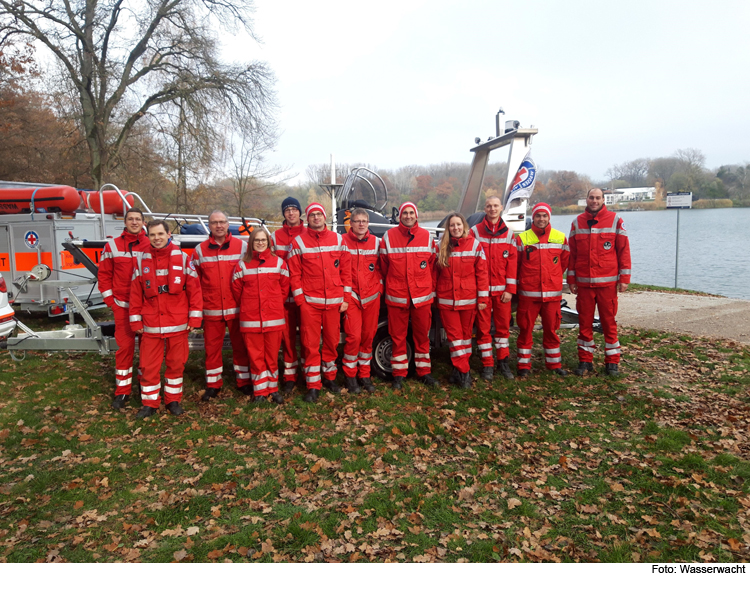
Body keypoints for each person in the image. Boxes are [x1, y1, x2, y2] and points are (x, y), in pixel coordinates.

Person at [129, 220, 203, 418]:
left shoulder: (184, 258)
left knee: (176, 364)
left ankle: (173, 401)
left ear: (169, 234)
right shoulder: (141, 260)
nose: (156, 238)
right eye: (152, 235)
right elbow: (136, 293)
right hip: (151, 324)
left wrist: (195, 318)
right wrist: (135, 321)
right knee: (148, 366)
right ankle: (150, 404)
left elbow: (195, 290)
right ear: (148, 236)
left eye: (160, 234)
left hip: (178, 322)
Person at [287, 203, 352, 403]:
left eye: (319, 214)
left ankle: (330, 378)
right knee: (310, 344)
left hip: (333, 302)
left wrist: (346, 298)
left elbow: (346, 271)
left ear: (324, 217)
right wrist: (301, 301)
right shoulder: (298, 242)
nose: (316, 217)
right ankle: (313, 385)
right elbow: (294, 274)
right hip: (310, 303)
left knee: (332, 342)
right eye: (312, 215)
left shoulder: (338, 239)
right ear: (307, 218)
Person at [568, 188, 631, 376]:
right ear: (586, 199)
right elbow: (572, 254)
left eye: (598, 198)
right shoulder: (577, 222)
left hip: (607, 285)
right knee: (584, 324)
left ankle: (612, 362)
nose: (594, 201)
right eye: (591, 197)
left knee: (609, 323)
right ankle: (585, 361)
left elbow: (624, 251)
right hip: (584, 285)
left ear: (604, 200)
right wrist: (571, 278)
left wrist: (624, 278)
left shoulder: (615, 220)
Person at [190, 210, 250, 401]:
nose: (219, 226)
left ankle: (244, 381)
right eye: (214, 222)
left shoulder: (242, 247)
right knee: (212, 348)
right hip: (211, 308)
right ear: (209, 225)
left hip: (236, 308)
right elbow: (194, 282)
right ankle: (213, 384)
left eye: (222, 222)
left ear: (227, 223)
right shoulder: (199, 250)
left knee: (241, 347)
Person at [380, 202, 438, 390]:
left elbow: (432, 265)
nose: (408, 216)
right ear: (399, 216)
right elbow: (383, 267)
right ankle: (399, 374)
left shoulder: (427, 237)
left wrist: (429, 289)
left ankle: (424, 372)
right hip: (397, 297)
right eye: (405, 213)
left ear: (416, 215)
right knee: (397, 337)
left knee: (422, 336)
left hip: (421, 297)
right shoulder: (388, 237)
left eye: (411, 212)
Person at [99, 207, 150, 409]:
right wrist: (111, 303)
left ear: (143, 222)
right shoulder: (112, 246)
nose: (135, 222)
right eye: (131, 219)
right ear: (125, 222)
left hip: (147, 309)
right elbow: (103, 277)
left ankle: (146, 387)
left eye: (138, 219)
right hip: (123, 307)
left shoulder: (152, 243)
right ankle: (122, 392)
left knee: (148, 352)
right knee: (124, 350)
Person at [231, 227, 289, 404]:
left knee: (271, 356)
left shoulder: (279, 263)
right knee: (256, 357)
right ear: (251, 244)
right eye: (257, 240)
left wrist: (273, 304)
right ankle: (260, 391)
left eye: (264, 240)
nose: (261, 243)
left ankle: (273, 389)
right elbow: (237, 291)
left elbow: (284, 289)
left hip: (273, 318)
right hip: (251, 320)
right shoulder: (242, 265)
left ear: (269, 242)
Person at [514, 202, 569, 377]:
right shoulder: (522, 238)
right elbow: (515, 264)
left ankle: (554, 365)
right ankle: (523, 366)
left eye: (544, 216)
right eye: (538, 215)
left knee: (551, 330)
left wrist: (552, 278)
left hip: (552, 296)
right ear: (533, 217)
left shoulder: (560, 237)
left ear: (549, 217)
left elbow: (564, 262)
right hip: (529, 295)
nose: (541, 219)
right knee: (525, 330)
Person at [436, 212, 489, 388]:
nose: (455, 228)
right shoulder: (441, 247)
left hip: (468, 300)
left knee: (465, 338)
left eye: (458, 224)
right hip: (447, 301)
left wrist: (483, 297)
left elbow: (482, 274)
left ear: (464, 226)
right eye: (452, 225)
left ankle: (457, 370)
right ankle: (465, 372)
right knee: (455, 337)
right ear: (448, 228)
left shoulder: (475, 246)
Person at [470, 196, 518, 381]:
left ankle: (503, 363)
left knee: (502, 329)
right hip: (482, 293)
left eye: (495, 206)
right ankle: (487, 365)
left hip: (502, 294)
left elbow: (512, 264)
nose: (492, 209)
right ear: (485, 208)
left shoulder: (509, 234)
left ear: (501, 208)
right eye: (489, 206)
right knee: (483, 330)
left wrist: (510, 289)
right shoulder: (475, 232)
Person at [341, 208, 383, 394]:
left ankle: (364, 375)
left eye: (363, 221)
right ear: (351, 223)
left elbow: (384, 266)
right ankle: (350, 376)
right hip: (352, 297)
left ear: (368, 223)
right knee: (354, 337)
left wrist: (379, 286)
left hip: (372, 296)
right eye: (356, 221)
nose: (360, 224)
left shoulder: (376, 242)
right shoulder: (342, 242)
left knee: (367, 337)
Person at [271, 197, 306, 393]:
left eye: (294, 209)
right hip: (284, 297)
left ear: (299, 212)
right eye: (287, 210)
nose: (291, 213)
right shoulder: (275, 237)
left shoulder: (309, 233)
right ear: (283, 214)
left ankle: (309, 372)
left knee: (309, 337)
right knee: (287, 338)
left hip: (306, 296)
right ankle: (290, 376)